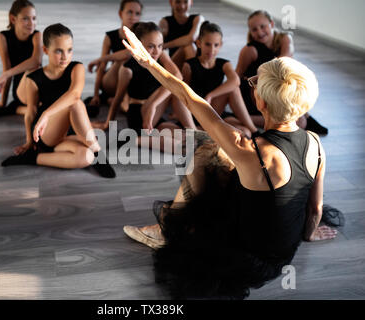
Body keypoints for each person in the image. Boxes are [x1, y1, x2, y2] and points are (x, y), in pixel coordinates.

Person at [121, 26, 338, 299]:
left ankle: (168, 228)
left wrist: (148, 62)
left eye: (254, 85)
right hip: (282, 254)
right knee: (220, 155)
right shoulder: (315, 144)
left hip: (243, 258)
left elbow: (189, 97)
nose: (252, 86)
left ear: (262, 104)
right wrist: (308, 235)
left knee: (201, 144)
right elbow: (315, 208)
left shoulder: (250, 150)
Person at [1, 24, 115, 179]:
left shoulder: (76, 68)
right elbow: (31, 112)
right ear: (46, 50)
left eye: (69, 50)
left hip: (65, 134)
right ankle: (98, 152)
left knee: (86, 157)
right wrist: (29, 142)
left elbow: (75, 93)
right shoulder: (33, 79)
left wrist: (47, 113)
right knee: (75, 104)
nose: (65, 56)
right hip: (47, 133)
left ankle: (34, 159)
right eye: (58, 51)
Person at [91, 22, 195, 152]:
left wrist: (153, 105)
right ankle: (134, 139)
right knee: (183, 148)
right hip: (139, 115)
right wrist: (107, 124)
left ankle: (194, 132)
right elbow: (118, 99)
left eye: (160, 46)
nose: (156, 51)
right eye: (151, 46)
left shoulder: (160, 55)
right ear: (138, 45)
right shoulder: (127, 70)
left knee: (188, 140)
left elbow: (178, 76)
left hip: (155, 111)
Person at [236, 10, 328, 134]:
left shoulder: (285, 38)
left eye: (263, 26)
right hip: (255, 92)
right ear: (250, 32)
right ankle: (244, 118)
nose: (259, 32)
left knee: (289, 80)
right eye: (254, 29)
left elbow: (284, 64)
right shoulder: (250, 50)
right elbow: (237, 75)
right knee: (300, 122)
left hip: (275, 88)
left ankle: (305, 116)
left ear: (272, 24)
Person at [179, 21, 257, 136]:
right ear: (199, 43)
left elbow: (236, 81)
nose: (211, 50)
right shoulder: (190, 65)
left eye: (216, 45)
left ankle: (253, 131)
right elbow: (183, 94)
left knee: (245, 133)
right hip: (198, 111)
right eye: (207, 44)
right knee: (233, 90)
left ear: (221, 45)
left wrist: (211, 95)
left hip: (216, 110)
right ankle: (256, 133)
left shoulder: (223, 64)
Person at [0, 0, 43, 119]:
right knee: (33, 70)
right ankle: (19, 108)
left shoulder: (37, 35)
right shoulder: (3, 37)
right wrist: (2, 103)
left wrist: (6, 74)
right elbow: (7, 70)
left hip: (40, 86)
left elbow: (37, 60)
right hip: (22, 90)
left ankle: (19, 109)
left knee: (38, 71)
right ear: (13, 19)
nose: (31, 23)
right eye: (26, 19)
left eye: (34, 18)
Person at [85, 0, 143, 117]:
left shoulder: (141, 36)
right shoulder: (110, 36)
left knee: (132, 65)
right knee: (123, 60)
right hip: (111, 81)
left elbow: (130, 53)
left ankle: (117, 100)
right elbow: (101, 68)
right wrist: (96, 94)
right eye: (129, 12)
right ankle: (121, 100)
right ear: (120, 14)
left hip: (131, 81)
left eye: (137, 14)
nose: (133, 17)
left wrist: (101, 59)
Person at [159, 0, 204, 69]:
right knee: (188, 46)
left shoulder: (198, 19)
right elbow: (157, 43)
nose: (182, 6)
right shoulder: (165, 22)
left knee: (189, 46)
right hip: (175, 64)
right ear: (171, 2)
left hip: (196, 62)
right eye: (178, 2)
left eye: (185, 2)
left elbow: (191, 38)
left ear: (191, 2)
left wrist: (165, 45)